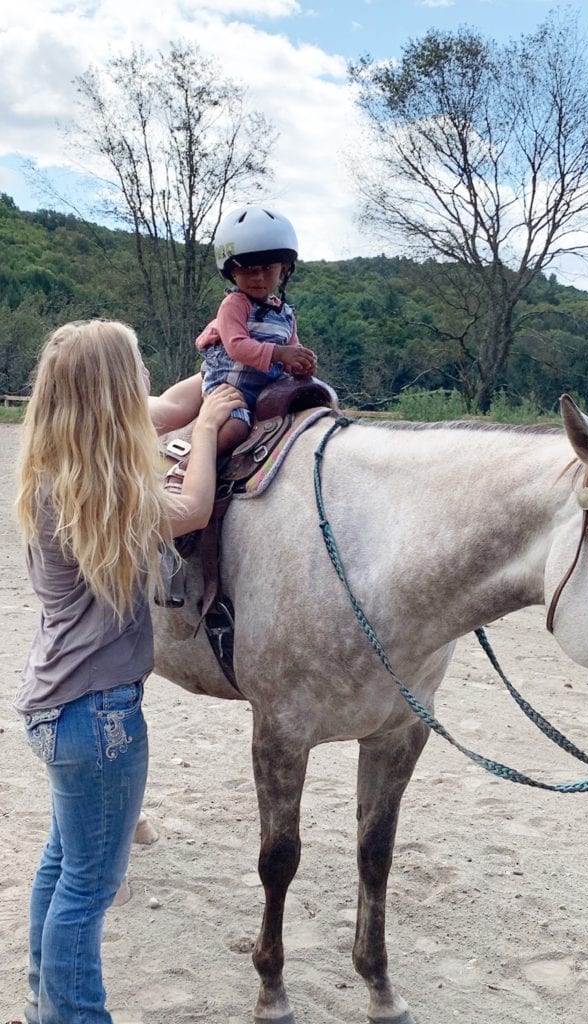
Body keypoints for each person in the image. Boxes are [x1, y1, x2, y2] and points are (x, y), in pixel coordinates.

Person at [14, 319, 244, 1024]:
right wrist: (206, 433)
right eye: (137, 367)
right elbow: (195, 506)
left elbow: (171, 405)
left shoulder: (61, 460)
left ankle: (39, 1001)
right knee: (90, 885)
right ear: (115, 389)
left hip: (56, 706)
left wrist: (221, 359)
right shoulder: (102, 494)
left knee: (61, 864)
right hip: (99, 716)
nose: (147, 379)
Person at [196, 205, 318, 454]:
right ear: (232, 273)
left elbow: (291, 349)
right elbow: (236, 345)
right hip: (230, 390)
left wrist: (299, 362)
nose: (259, 278)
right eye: (249, 271)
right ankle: (190, 467)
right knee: (235, 429)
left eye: (268, 269)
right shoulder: (234, 304)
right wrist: (279, 353)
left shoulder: (285, 314)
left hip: (268, 391)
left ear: (284, 270)